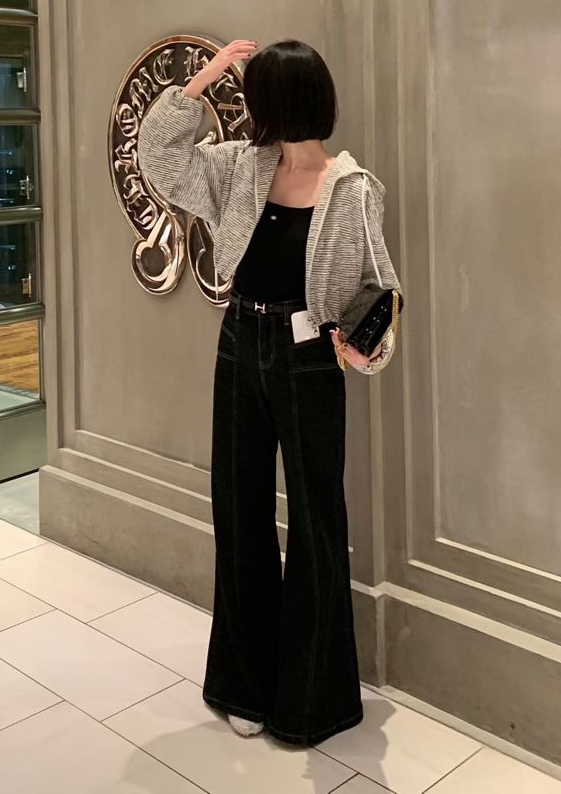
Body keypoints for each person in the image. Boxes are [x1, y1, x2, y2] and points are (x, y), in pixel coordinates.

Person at [139, 39, 400, 746]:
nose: (248, 108)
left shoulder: (353, 189)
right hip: (239, 343)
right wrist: (203, 78)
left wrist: (366, 344)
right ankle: (243, 686)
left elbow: (380, 288)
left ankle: (313, 699)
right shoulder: (238, 168)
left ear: (280, 103)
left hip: (309, 355)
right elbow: (158, 159)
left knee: (316, 519)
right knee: (239, 508)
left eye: (254, 95)